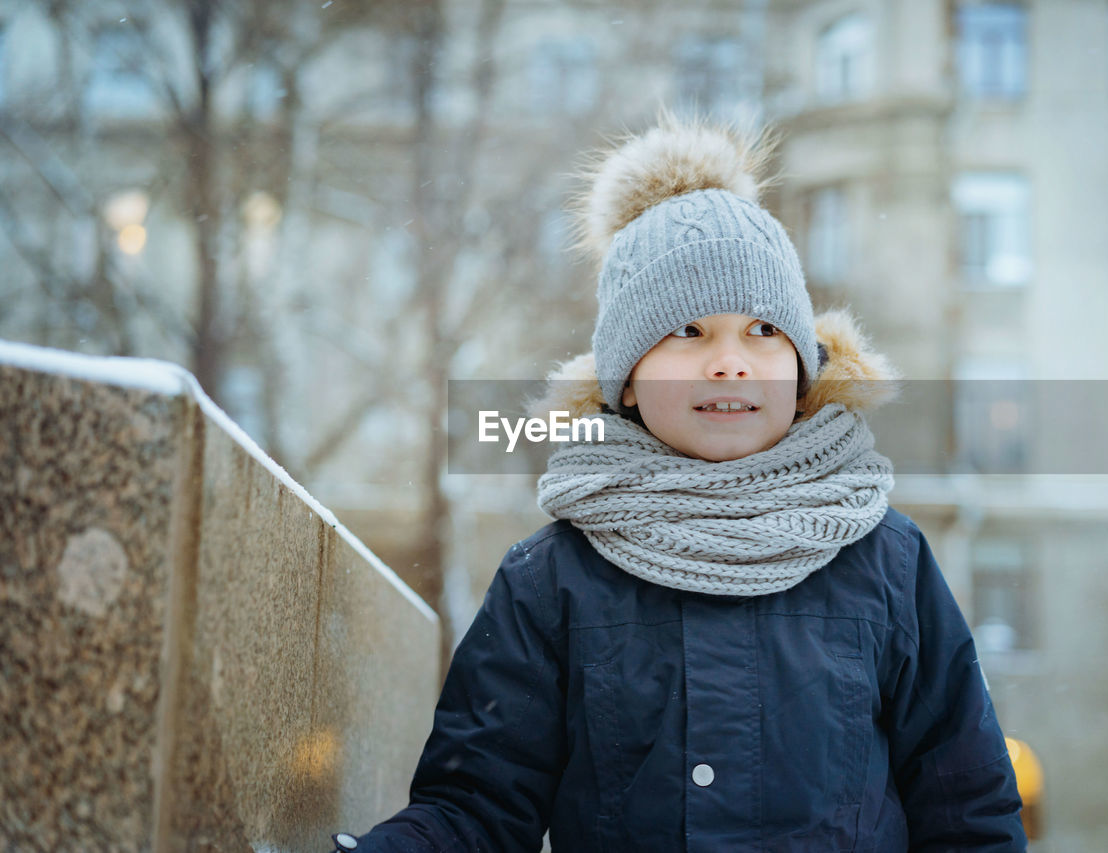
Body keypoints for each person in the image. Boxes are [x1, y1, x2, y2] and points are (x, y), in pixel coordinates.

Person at [330, 107, 1026, 852]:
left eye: (763, 331)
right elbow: (477, 804)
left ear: (800, 373)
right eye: (688, 331)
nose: (729, 361)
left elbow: (967, 810)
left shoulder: (886, 560)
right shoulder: (553, 579)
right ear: (627, 379)